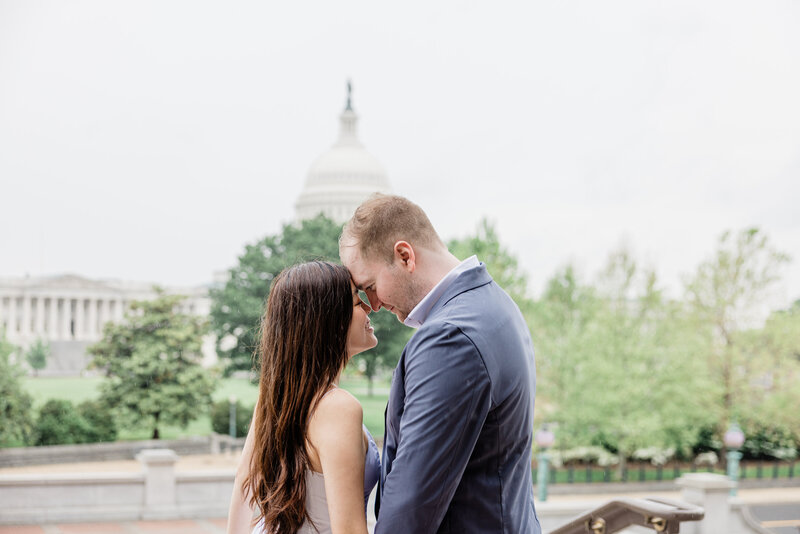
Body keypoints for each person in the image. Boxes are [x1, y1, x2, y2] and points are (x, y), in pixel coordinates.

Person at [340, 194, 541, 534]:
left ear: (404, 256)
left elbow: (410, 511)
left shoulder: (449, 339)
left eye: (370, 286)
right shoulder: (495, 304)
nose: (372, 304)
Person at [226, 261, 380, 534]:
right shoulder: (337, 408)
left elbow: (244, 485)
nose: (370, 308)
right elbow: (350, 530)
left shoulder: (276, 397)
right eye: (358, 302)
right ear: (330, 320)